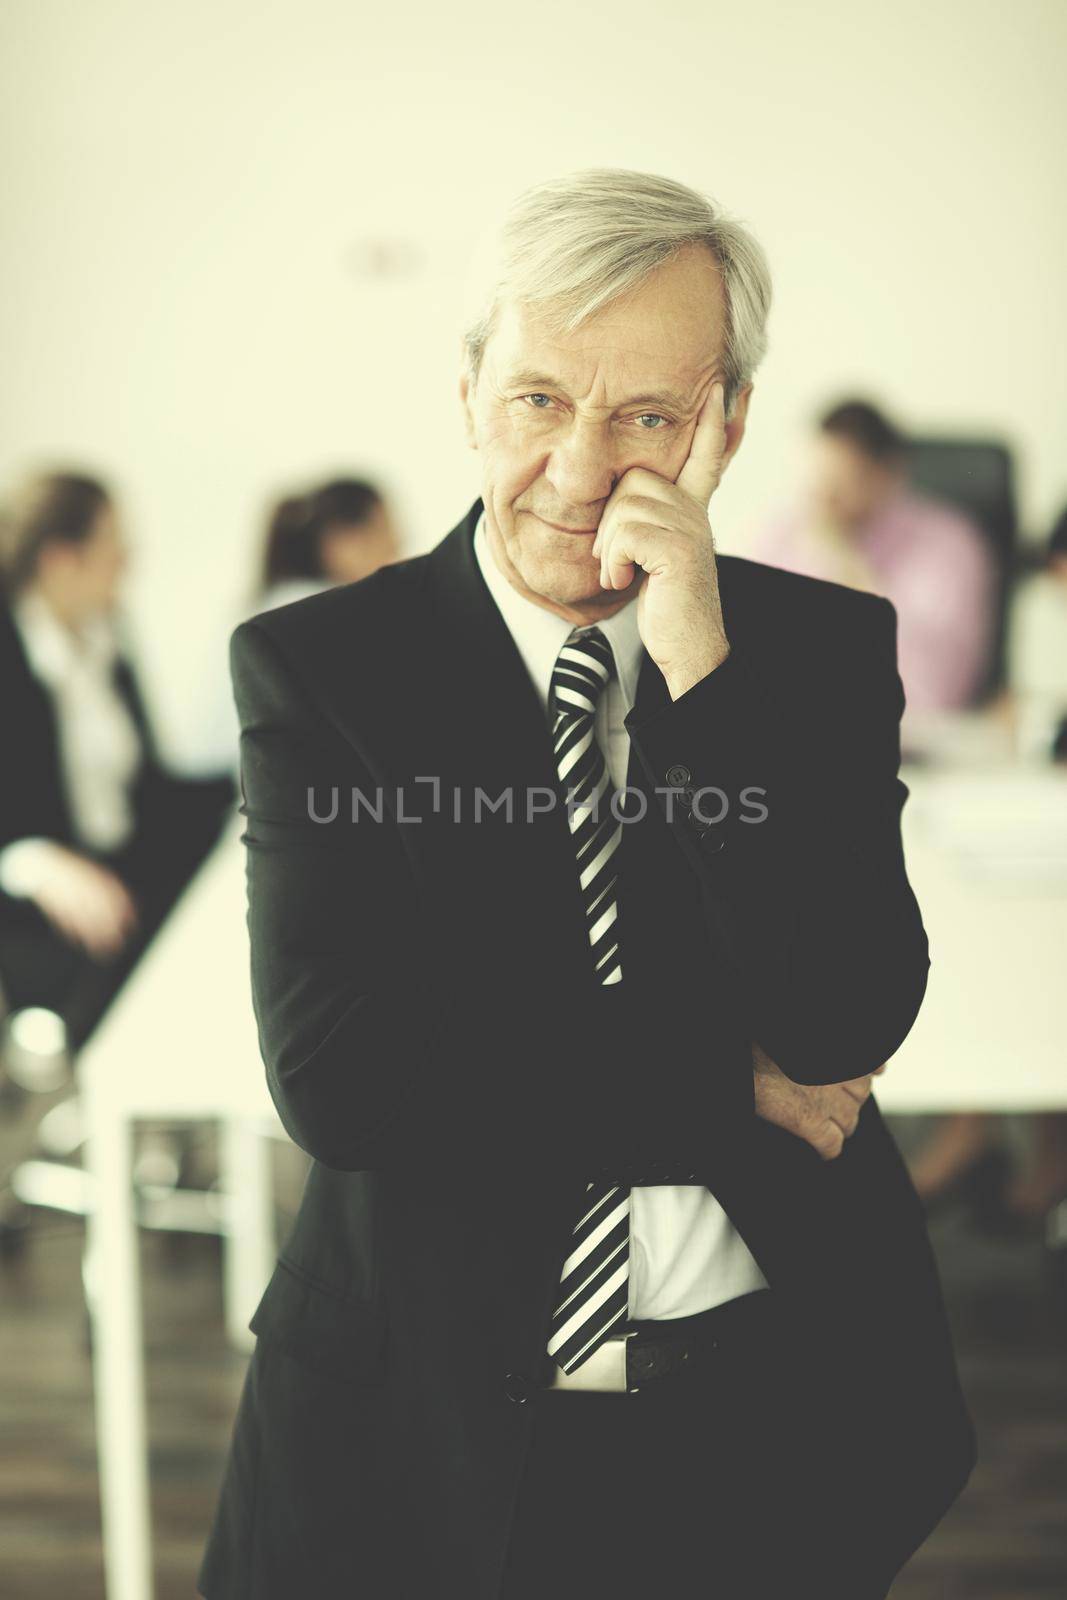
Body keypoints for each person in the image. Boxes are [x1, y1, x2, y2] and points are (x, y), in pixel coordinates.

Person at [198, 170, 976, 1600]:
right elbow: (351, 1074)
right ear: (466, 394)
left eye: (647, 418)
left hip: (760, 1412)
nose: (577, 470)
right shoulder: (322, 671)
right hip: (418, 1421)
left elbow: (842, 1013)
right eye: (539, 400)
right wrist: (721, 1078)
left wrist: (703, 677)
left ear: (727, 426)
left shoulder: (812, 656)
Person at [0, 470, 233, 1053]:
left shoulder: (109, 638)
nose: (128, 564)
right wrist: (29, 859)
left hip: (112, 863)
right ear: (61, 560)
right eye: (115, 547)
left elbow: (149, 785)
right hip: (27, 885)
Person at [752, 399, 996, 721]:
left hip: (907, 742)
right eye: (821, 478)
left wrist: (846, 563)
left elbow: (935, 689)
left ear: (888, 473)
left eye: (842, 480)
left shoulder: (948, 544)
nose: (825, 497)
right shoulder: (784, 534)